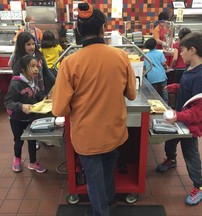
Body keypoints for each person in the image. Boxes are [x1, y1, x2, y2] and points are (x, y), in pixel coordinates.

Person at [51, 2, 136, 216]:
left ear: (78, 30)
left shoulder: (70, 63)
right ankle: (110, 201)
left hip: (87, 136)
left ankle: (101, 212)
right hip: (114, 131)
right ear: (103, 28)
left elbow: (59, 108)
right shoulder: (121, 56)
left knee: (94, 179)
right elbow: (132, 94)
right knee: (108, 170)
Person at [156, 32, 202, 205]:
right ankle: (171, 159)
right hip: (181, 120)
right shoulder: (190, 70)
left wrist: (178, 115)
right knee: (170, 142)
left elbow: (199, 110)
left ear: (192, 50)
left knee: (190, 154)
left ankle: (199, 187)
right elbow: (190, 93)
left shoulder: (199, 75)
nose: (181, 54)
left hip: (190, 124)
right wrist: (176, 87)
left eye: (183, 50)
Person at [4, 54, 47, 173]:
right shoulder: (16, 84)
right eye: (32, 66)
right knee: (18, 140)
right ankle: (17, 159)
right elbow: (8, 102)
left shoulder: (34, 81)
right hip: (17, 118)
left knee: (32, 140)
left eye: (37, 66)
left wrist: (46, 99)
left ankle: (33, 163)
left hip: (31, 118)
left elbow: (37, 96)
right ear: (23, 68)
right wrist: (21, 106)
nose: (36, 69)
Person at [11, 32, 55, 97]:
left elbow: (46, 72)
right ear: (21, 45)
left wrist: (56, 81)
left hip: (40, 93)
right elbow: (16, 80)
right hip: (26, 96)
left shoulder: (39, 57)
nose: (31, 47)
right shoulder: (19, 61)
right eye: (28, 44)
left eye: (33, 44)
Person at [144, 38, 169, 104]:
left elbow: (145, 67)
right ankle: (166, 104)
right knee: (164, 90)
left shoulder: (146, 56)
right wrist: (167, 68)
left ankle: (154, 104)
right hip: (161, 75)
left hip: (151, 76)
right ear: (155, 45)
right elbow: (164, 64)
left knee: (153, 93)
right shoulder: (160, 53)